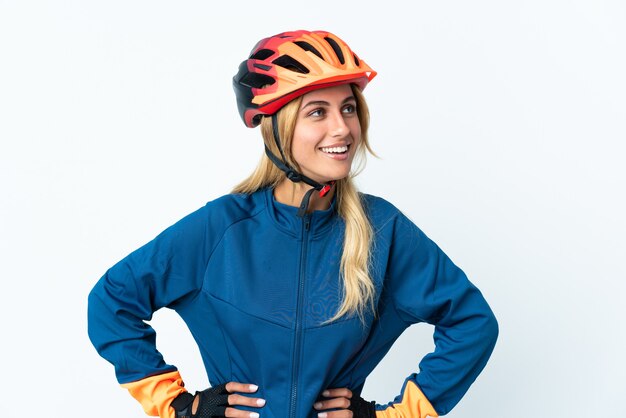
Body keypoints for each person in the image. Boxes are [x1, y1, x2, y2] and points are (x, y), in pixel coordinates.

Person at [88, 29, 498, 418]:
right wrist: (179, 405)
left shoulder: (382, 230)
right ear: (278, 129)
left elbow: (472, 322)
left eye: (349, 108)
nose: (342, 128)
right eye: (317, 112)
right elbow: (112, 300)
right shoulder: (222, 228)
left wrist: (396, 413)